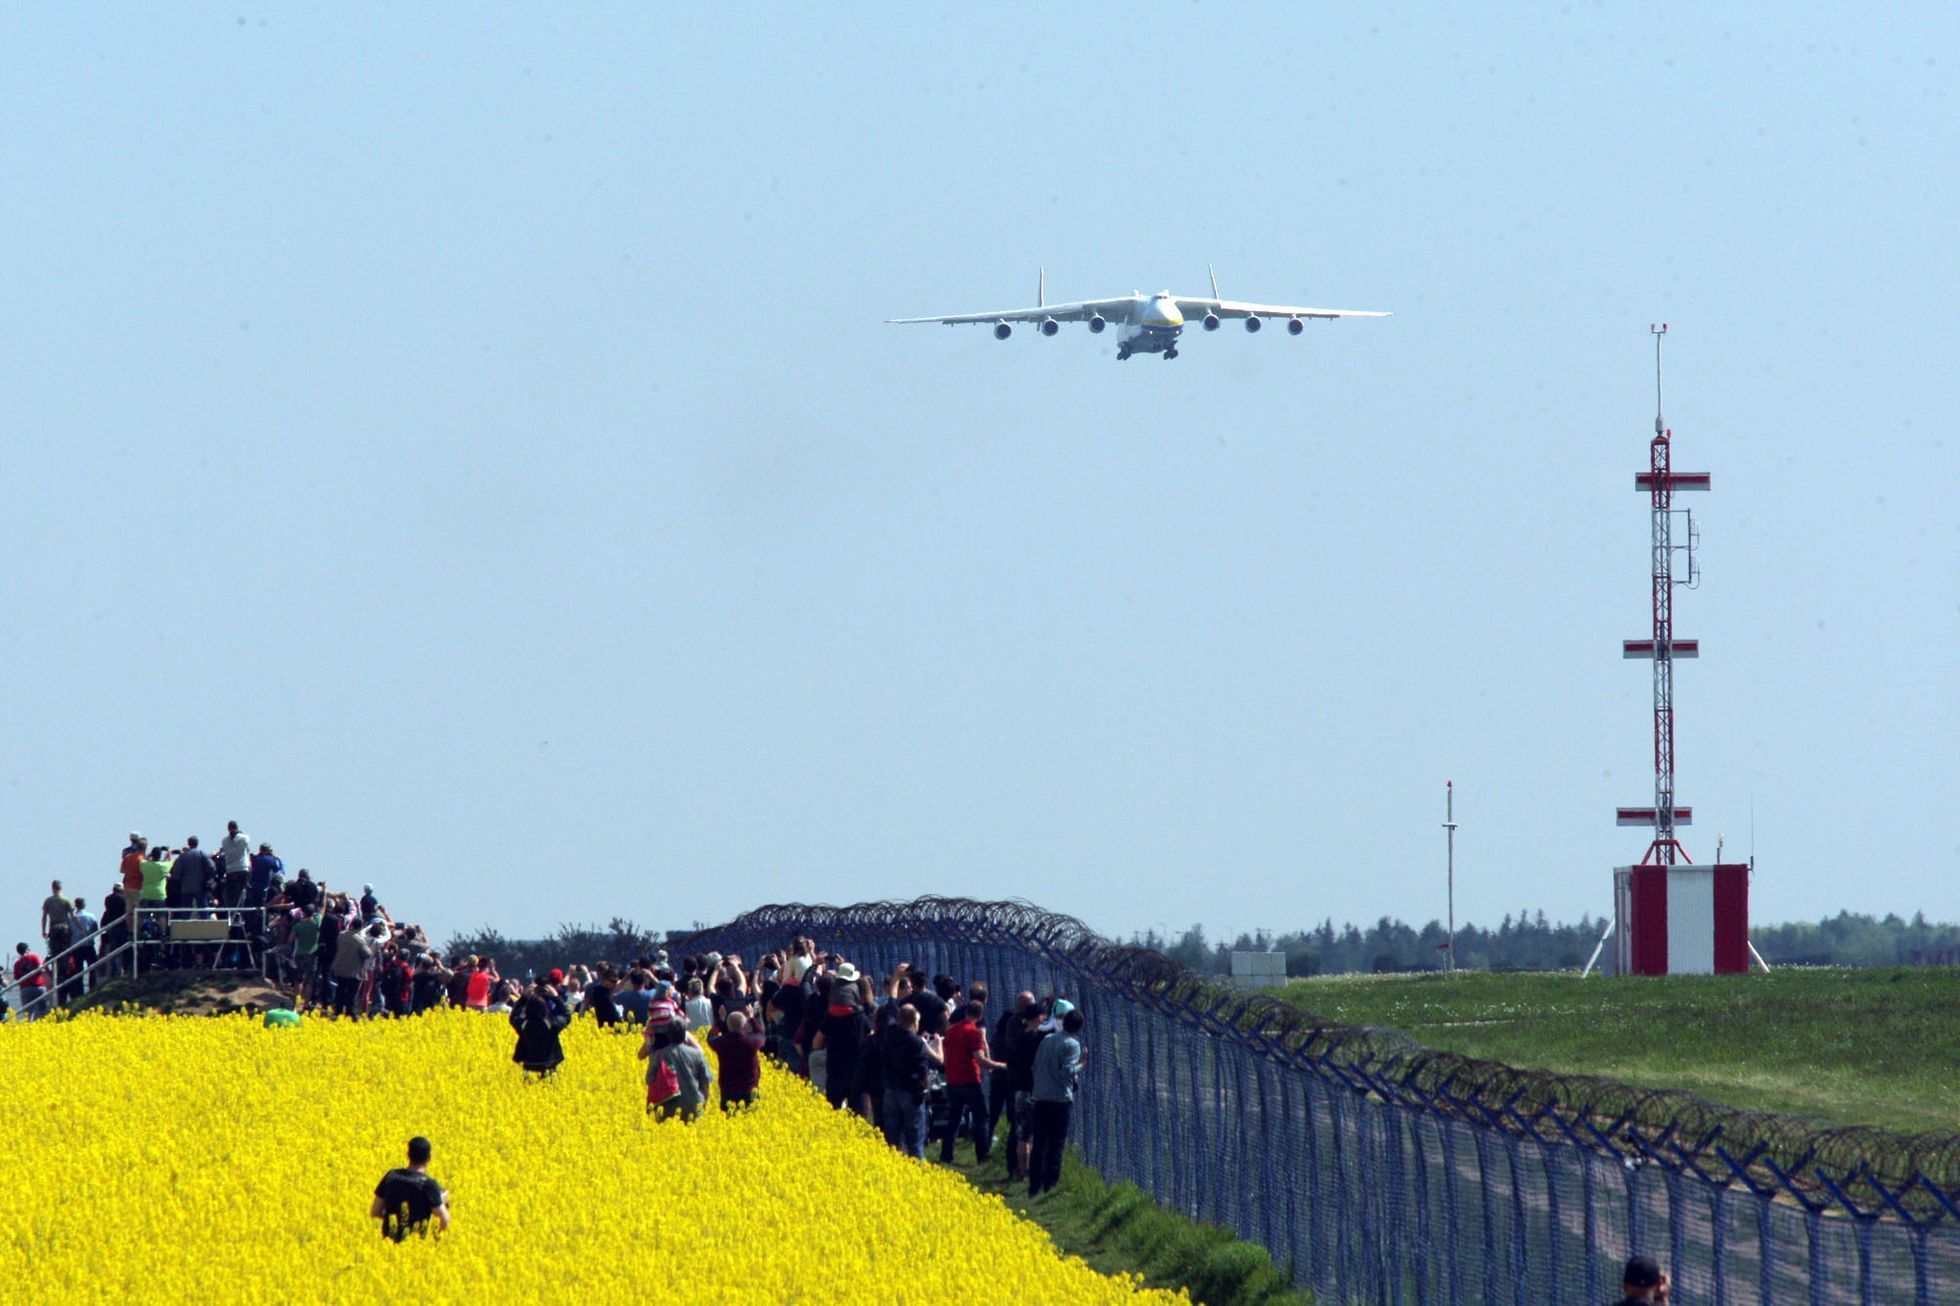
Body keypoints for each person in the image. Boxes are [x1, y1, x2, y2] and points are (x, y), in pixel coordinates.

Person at [1028, 1007, 1085, 1197]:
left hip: (1040, 1095)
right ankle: (1050, 1184)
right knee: (1056, 1143)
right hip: (1059, 1099)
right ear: (1078, 1029)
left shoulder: (1047, 1039)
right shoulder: (1072, 1045)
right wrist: (1082, 1064)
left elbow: (1035, 1065)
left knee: (1039, 1143)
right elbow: (1067, 1071)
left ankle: (1033, 1184)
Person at [939, 999, 1004, 1164]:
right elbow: (980, 1060)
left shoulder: (951, 1031)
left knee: (953, 1119)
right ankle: (982, 1155)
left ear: (965, 1012)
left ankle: (946, 1154)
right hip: (970, 1080)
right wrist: (1001, 1065)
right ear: (980, 1015)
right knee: (981, 1117)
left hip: (953, 1080)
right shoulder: (974, 1033)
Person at [878, 1004, 942, 1158]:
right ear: (914, 1022)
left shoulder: (889, 1034)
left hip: (891, 1090)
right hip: (911, 1093)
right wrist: (926, 1090)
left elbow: (889, 1015)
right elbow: (922, 1072)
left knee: (892, 1140)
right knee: (915, 1140)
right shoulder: (916, 1042)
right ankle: (918, 1167)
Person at [371, 1136, 451, 1240]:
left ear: (407, 1155)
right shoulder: (428, 1185)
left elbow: (375, 1212)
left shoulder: (391, 1176)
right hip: (416, 1247)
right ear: (429, 1158)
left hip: (387, 1244)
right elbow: (444, 1220)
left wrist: (394, 1222)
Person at [640, 1009, 714, 1121]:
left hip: (666, 1109)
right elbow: (705, 1083)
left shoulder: (659, 1055)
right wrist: (702, 1105)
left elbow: (649, 1079)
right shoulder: (697, 1054)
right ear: (685, 1035)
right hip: (693, 1107)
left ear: (668, 1035)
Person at [707, 1009, 766, 1111]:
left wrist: (721, 1020)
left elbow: (710, 1037)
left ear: (728, 1026)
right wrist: (752, 1018)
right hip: (749, 1089)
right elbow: (761, 1034)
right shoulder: (751, 1043)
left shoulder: (721, 1043)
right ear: (744, 1026)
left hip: (728, 1090)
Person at [510, 977, 570, 1075]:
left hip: (528, 1066)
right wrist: (556, 997)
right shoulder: (552, 1024)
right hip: (548, 1066)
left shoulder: (524, 1024)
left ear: (527, 1009)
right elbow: (567, 1016)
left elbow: (513, 1017)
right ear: (545, 1009)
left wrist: (524, 997)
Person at [64, 898, 99, 1001]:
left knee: (78, 970)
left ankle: (79, 992)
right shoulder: (91, 916)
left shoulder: (70, 918)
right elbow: (95, 930)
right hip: (89, 945)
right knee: (93, 967)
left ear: (76, 905)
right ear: (84, 905)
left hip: (76, 947)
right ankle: (93, 988)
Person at [173, 837, 216, 915]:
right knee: (203, 910)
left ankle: (185, 926)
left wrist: (180, 881)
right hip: (200, 886)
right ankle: (205, 925)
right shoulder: (202, 854)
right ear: (197, 843)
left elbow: (176, 872)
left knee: (186, 911)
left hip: (186, 887)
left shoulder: (183, 856)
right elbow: (212, 867)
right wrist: (207, 877)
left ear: (188, 844)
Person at [12, 943, 50, 1021]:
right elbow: (41, 969)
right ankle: (45, 1025)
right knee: (43, 1010)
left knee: (28, 1013)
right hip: (38, 986)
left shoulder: (16, 964)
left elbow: (16, 978)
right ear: (26, 950)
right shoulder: (33, 957)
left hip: (25, 989)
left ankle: (30, 1027)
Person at [218, 820, 251, 907]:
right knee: (242, 893)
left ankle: (232, 910)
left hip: (230, 870)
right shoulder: (244, 838)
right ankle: (241, 910)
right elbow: (247, 847)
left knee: (231, 894)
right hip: (242, 868)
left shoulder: (224, 841)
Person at [40, 881, 75, 963]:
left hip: (53, 928)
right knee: (65, 950)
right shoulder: (67, 900)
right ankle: (65, 970)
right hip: (65, 928)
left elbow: (44, 917)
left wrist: (43, 931)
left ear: (52, 888)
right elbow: (73, 916)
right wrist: (80, 927)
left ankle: (57, 971)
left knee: (55, 951)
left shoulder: (48, 901)